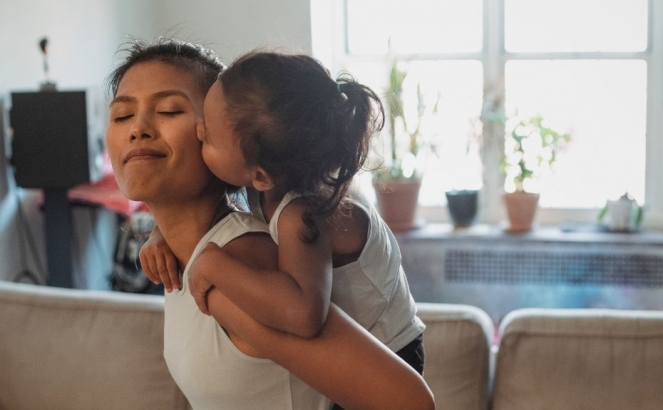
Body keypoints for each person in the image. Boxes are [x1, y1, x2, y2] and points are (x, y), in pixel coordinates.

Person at [105, 37, 434, 410]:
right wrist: (162, 232)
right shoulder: (253, 201)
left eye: (169, 111)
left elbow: (405, 400)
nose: (138, 129)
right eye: (121, 115)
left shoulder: (254, 256)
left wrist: (211, 262)